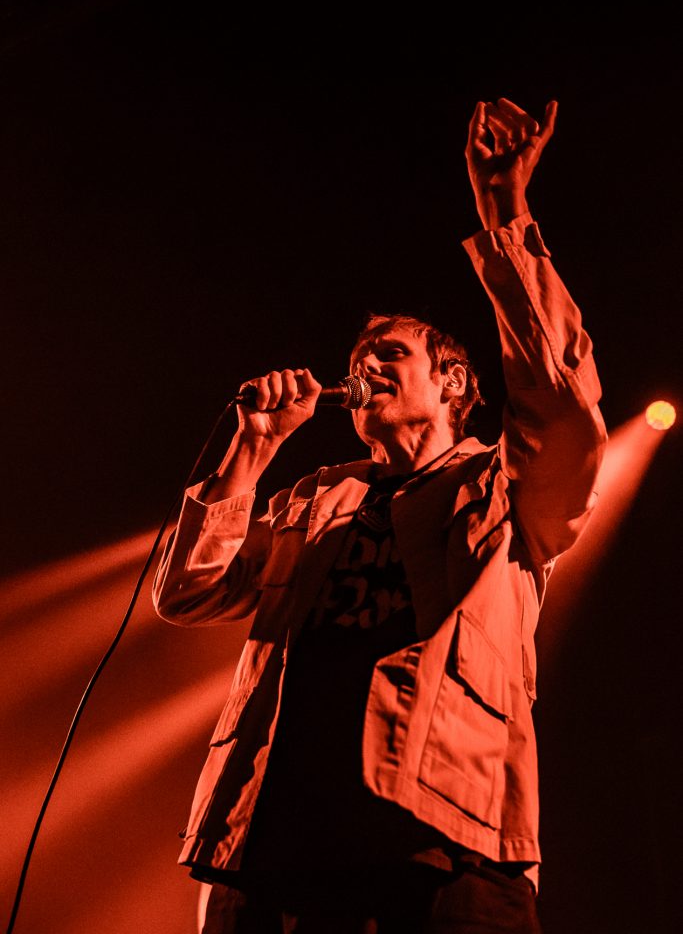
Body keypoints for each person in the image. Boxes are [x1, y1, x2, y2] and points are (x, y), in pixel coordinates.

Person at [153, 98, 607, 933]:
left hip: (441, 837)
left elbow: (559, 399)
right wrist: (251, 450)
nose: (365, 365)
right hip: (270, 845)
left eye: (390, 353)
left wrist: (504, 215)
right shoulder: (313, 497)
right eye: (360, 358)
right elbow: (187, 593)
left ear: (452, 383)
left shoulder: (503, 489)